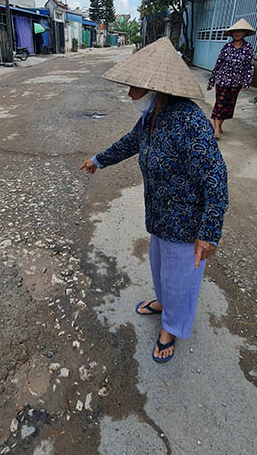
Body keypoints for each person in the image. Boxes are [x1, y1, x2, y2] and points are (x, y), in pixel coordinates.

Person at [81, 37, 228, 363]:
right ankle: (164, 302)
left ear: (156, 88)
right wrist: (99, 160)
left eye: (135, 87)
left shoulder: (190, 122)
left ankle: (170, 327)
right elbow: (130, 141)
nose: (130, 94)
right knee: (161, 269)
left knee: (180, 279)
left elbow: (216, 178)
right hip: (160, 216)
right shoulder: (152, 116)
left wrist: (208, 232)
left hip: (186, 224)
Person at [207, 18, 255, 140]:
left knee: (228, 106)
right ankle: (216, 129)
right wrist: (212, 81)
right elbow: (218, 64)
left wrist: (247, 81)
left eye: (240, 31)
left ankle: (219, 124)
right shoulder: (226, 47)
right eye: (235, 31)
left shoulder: (248, 48)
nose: (237, 33)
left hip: (236, 83)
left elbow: (250, 66)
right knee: (219, 104)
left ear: (244, 33)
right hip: (223, 81)